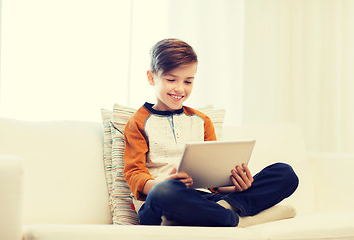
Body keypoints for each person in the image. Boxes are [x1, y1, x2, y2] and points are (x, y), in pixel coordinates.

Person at [123, 38, 298, 227]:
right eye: (171, 79)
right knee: (166, 191)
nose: (180, 88)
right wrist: (162, 184)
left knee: (284, 173)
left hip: (202, 200)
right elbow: (134, 174)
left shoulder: (202, 121)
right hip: (160, 202)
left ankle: (224, 210)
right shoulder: (138, 122)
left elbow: (214, 182)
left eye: (188, 81)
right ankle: (236, 217)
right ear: (151, 77)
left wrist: (236, 184)